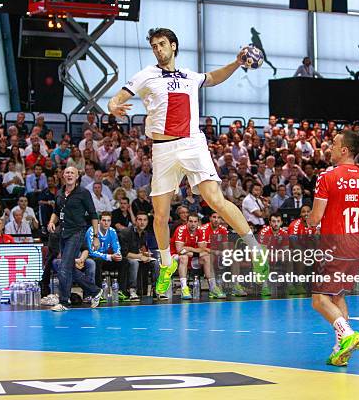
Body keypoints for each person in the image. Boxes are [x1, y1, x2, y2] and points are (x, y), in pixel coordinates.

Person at [108, 28, 264, 297]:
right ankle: (167, 265)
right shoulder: (147, 74)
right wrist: (113, 105)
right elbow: (119, 96)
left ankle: (255, 248)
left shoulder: (190, 76)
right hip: (163, 149)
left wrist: (238, 63)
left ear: (174, 46)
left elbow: (213, 78)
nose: (158, 49)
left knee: (216, 199)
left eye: (162, 44)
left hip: (192, 143)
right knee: (160, 215)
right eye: (154, 46)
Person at [308, 130, 359, 367]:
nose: (329, 147)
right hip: (357, 244)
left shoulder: (327, 177)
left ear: (344, 150)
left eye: (333, 144)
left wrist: (309, 222)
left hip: (334, 244)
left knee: (319, 299)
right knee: (338, 294)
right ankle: (340, 350)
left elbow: (315, 217)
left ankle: (348, 333)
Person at [47, 166, 103, 311]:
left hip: (77, 232)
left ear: (77, 176)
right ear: (63, 176)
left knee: (63, 268)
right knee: (68, 268)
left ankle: (64, 302)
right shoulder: (59, 193)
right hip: (63, 234)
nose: (69, 174)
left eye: (72, 172)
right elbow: (56, 211)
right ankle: (95, 291)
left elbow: (93, 214)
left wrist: (96, 237)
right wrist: (52, 222)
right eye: (67, 172)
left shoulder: (83, 193)